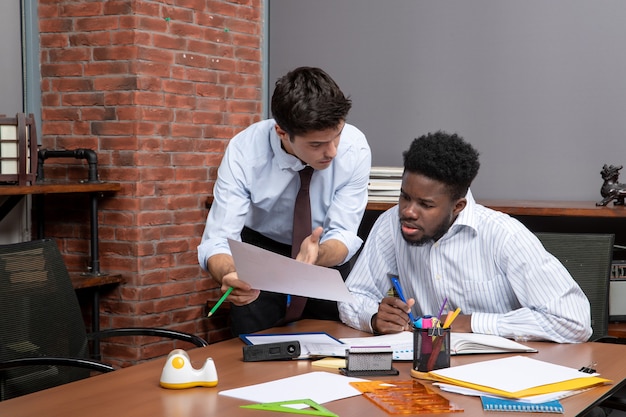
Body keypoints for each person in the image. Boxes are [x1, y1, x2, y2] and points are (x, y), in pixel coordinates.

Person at [338, 131, 592, 343]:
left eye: (425, 205)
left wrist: (473, 322)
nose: (408, 211)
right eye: (405, 196)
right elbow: (353, 296)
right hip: (426, 370)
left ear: (458, 206)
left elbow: (573, 321)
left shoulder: (505, 236)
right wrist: (373, 317)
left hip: (501, 375)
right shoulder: (390, 224)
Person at [198, 66, 371, 336]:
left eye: (337, 134)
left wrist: (318, 255)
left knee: (337, 348)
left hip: (322, 251)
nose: (333, 151)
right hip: (260, 252)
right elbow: (218, 240)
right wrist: (230, 273)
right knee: (253, 352)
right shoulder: (244, 151)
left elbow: (344, 233)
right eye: (316, 144)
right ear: (281, 131)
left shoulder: (355, 148)